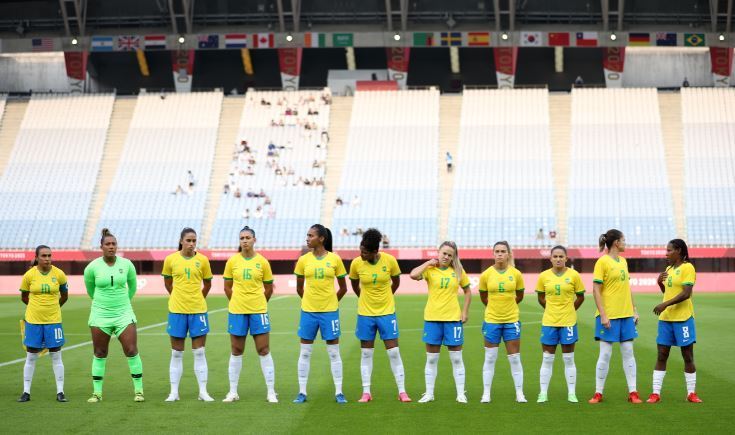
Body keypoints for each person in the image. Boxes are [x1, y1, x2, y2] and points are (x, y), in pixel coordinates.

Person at [349, 229, 411, 403]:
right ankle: (366, 392)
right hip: (365, 314)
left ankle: (402, 391)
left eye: (365, 252)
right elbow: (354, 285)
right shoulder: (356, 264)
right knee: (366, 353)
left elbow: (396, 281)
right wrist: (364, 298)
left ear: (375, 251)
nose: (361, 254)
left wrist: (387, 297)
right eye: (360, 250)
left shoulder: (389, 261)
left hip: (386, 313)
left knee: (394, 352)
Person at [84, 228, 143, 402]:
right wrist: (102, 304)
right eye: (107, 244)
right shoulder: (92, 267)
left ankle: (139, 391)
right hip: (100, 314)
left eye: (114, 244)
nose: (111, 247)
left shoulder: (127, 265)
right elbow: (90, 290)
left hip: (124, 313)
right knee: (100, 352)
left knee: (131, 350)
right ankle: (97, 393)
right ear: (101, 246)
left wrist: (123, 302)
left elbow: (132, 287)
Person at [410, 241, 471, 403]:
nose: (446, 257)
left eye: (450, 255)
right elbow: (413, 275)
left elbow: (467, 291)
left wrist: (464, 311)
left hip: (452, 319)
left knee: (457, 358)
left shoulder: (458, 271)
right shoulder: (430, 270)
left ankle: (460, 394)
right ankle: (429, 394)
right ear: (438, 253)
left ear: (453, 258)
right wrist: (428, 263)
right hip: (432, 318)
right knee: (431, 358)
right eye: (444, 253)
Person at [293, 224, 348, 404]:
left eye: (310, 236)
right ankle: (302, 392)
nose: (307, 238)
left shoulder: (335, 259)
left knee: (333, 353)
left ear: (321, 238)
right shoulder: (303, 260)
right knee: (305, 352)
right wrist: (310, 302)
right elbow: (299, 288)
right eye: (307, 235)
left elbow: (343, 288)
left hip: (329, 313)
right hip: (308, 312)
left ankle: (339, 392)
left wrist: (331, 302)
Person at [223, 226, 278, 403]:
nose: (245, 240)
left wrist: (259, 303)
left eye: (248, 237)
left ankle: (270, 391)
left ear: (254, 240)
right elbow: (227, 287)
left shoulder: (262, 262)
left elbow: (269, 288)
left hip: (258, 311)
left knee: (263, 350)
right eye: (242, 238)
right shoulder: (232, 262)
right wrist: (237, 302)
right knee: (236, 350)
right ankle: (233, 391)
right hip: (237, 311)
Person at [589, 229, 641, 404]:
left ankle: (633, 392)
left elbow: (627, 287)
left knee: (628, 352)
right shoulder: (602, 262)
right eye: (624, 240)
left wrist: (634, 310)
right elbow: (595, 290)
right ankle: (598, 393)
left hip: (626, 315)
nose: (626, 243)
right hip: (609, 316)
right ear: (616, 243)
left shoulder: (624, 262)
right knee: (605, 354)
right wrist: (603, 315)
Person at [162, 228, 214, 402]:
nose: (191, 244)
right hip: (177, 311)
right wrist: (177, 297)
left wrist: (198, 298)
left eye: (194, 241)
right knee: (176, 353)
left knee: (199, 352)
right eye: (189, 240)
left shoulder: (203, 260)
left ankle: (203, 391)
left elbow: (207, 284)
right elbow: (167, 282)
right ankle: (174, 392)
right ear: (181, 241)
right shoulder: (171, 259)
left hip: (198, 310)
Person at [647, 239, 702, 403]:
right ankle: (655, 393)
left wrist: (665, 304)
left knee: (687, 356)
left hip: (683, 318)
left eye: (669, 250)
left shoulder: (688, 268)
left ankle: (691, 393)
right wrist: (659, 283)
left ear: (678, 251)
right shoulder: (669, 269)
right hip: (666, 319)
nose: (666, 254)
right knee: (662, 355)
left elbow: (686, 293)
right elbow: (668, 292)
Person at [17, 245, 69, 403]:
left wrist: (53, 309)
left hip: (53, 321)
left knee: (56, 354)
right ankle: (26, 392)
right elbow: (24, 297)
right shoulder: (29, 275)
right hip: (33, 321)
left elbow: (65, 296)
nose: (47, 258)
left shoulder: (59, 274)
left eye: (49, 255)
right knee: (31, 356)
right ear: (37, 257)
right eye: (44, 256)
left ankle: (60, 392)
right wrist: (36, 309)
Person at [535, 245, 585, 403]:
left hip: (568, 322)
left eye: (560, 256)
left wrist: (570, 309)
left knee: (569, 359)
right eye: (555, 256)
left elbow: (580, 297)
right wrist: (551, 309)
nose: (558, 259)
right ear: (550, 258)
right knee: (547, 359)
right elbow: (541, 297)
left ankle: (571, 393)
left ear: (566, 258)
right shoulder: (543, 276)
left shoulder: (574, 275)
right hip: (549, 322)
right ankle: (543, 393)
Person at [478, 241, 527, 403]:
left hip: (511, 320)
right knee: (490, 358)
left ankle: (519, 393)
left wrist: (508, 306)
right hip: (492, 320)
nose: (499, 254)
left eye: (503, 251)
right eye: (497, 251)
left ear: (508, 254)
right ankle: (486, 393)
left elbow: (519, 295)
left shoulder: (516, 274)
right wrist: (494, 307)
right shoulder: (486, 275)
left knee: (514, 358)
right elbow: (483, 297)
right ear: (493, 254)